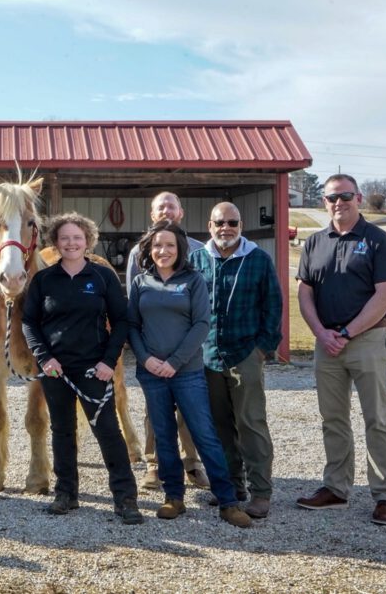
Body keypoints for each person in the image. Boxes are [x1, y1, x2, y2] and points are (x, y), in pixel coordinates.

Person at [128, 220, 252, 528]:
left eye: (169, 245)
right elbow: (131, 325)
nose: (163, 250)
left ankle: (228, 501)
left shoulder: (193, 280)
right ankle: (174, 497)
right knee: (164, 437)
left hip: (187, 372)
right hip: (152, 374)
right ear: (149, 249)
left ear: (180, 249)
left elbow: (201, 324)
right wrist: (146, 360)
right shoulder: (141, 283)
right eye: (157, 245)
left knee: (204, 434)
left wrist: (174, 362)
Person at [21, 213, 142, 524]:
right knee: (62, 431)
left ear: (87, 240)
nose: (71, 243)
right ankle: (66, 493)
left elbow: (122, 321)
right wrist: (44, 358)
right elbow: (30, 323)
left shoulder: (102, 277)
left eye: (77, 238)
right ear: (56, 243)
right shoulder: (43, 280)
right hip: (55, 370)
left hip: (94, 369)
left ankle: (125, 497)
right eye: (65, 238)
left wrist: (108, 362)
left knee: (107, 431)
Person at [295, 174, 386, 526]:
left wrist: (346, 331)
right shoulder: (314, 243)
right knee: (334, 418)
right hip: (326, 343)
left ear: (357, 198)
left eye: (345, 196)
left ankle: (384, 495)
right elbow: (305, 293)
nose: (338, 203)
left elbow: (385, 294)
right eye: (330, 198)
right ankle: (336, 489)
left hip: (367, 340)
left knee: (377, 418)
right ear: (324, 202)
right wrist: (322, 333)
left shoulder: (378, 240)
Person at [189, 202, 282, 519]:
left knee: (251, 423)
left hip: (245, 354)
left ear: (241, 225)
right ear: (210, 225)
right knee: (219, 427)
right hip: (208, 355)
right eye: (220, 223)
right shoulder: (198, 259)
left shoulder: (257, 259)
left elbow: (273, 305)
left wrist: (263, 348)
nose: (225, 228)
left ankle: (260, 492)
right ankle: (230, 486)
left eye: (232, 222)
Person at [125, 191, 208, 490]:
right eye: (160, 206)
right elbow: (133, 303)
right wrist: (145, 353)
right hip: (153, 348)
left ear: (181, 212)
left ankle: (192, 463)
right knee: (154, 409)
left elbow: (202, 304)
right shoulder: (139, 252)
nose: (166, 210)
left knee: (190, 409)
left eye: (171, 205)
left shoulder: (199, 250)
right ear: (152, 214)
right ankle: (154, 464)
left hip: (188, 345)